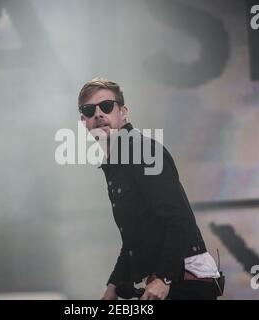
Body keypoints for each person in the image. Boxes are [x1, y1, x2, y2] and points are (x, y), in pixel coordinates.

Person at [78, 77, 221, 300]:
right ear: (83, 121)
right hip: (170, 281)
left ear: (123, 112)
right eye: (89, 110)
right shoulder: (116, 165)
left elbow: (179, 218)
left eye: (106, 106)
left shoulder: (143, 151)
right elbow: (134, 240)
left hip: (186, 282)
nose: (98, 114)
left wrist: (164, 277)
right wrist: (113, 285)